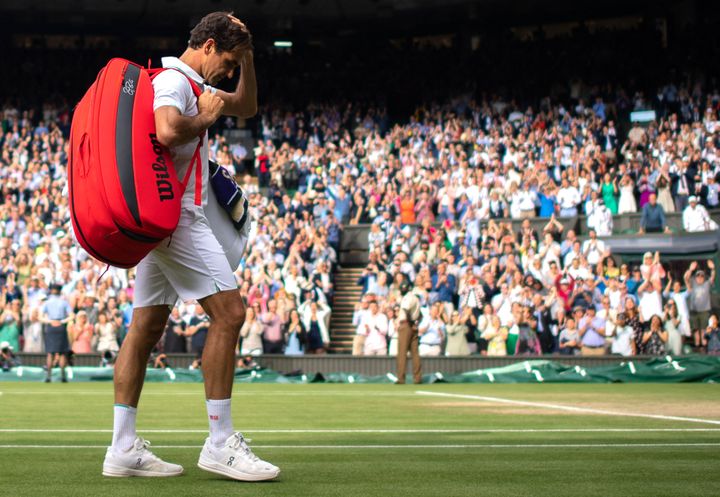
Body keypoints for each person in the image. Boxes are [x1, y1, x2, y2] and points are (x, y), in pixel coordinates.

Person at [103, 12, 279, 481]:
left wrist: (248, 57)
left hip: (162, 221)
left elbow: (246, 106)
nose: (227, 70)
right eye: (227, 58)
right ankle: (220, 444)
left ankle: (122, 448)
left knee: (145, 326)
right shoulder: (175, 83)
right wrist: (203, 116)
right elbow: (166, 129)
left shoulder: (189, 80)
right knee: (230, 314)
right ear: (206, 46)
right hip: (179, 218)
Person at [40, 284, 72, 383]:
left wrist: (50, 321)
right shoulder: (64, 302)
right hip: (60, 326)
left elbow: (40, 317)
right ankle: (63, 375)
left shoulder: (47, 302)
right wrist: (62, 321)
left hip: (51, 327)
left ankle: (48, 376)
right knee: (62, 353)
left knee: (50, 353)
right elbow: (72, 316)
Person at [396, 278, 423, 384]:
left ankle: (401, 378)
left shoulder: (408, 298)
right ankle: (417, 378)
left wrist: (411, 323)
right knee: (415, 353)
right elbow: (420, 315)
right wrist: (416, 323)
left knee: (402, 353)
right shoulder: (416, 298)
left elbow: (406, 310)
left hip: (406, 325)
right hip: (413, 326)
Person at [684, 261, 716, 349]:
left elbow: (712, 277)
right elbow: (686, 278)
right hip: (694, 311)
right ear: (696, 277)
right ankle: (697, 346)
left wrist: (712, 268)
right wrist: (690, 269)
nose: (700, 278)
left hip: (704, 311)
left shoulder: (706, 284)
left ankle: (704, 347)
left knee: (703, 330)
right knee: (696, 330)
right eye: (698, 276)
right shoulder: (693, 283)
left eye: (702, 276)